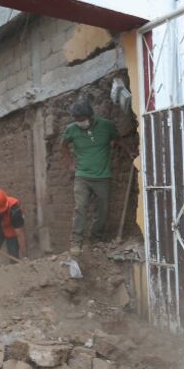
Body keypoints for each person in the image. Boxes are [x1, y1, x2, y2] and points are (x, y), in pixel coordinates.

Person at [60, 97, 120, 255]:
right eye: (77, 119)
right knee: (80, 207)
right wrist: (70, 164)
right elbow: (63, 145)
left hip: (103, 176)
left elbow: (117, 138)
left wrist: (124, 150)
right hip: (82, 176)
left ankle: (95, 240)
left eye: (82, 119)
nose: (80, 122)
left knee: (102, 209)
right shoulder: (72, 129)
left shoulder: (106, 126)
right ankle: (76, 241)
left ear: (90, 116)